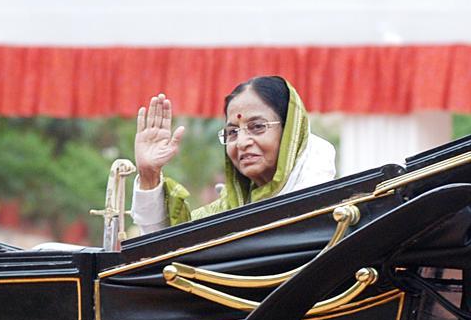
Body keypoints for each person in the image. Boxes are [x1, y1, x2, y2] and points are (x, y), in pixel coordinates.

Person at [131, 75, 336, 234]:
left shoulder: (328, 208)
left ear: (291, 131)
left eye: (257, 127)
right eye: (232, 132)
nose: (242, 142)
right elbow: (165, 252)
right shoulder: (226, 213)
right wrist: (149, 175)